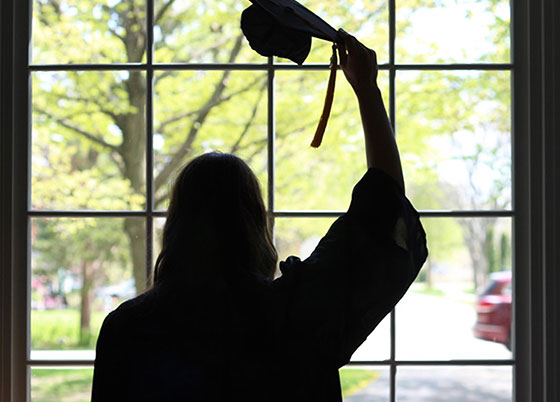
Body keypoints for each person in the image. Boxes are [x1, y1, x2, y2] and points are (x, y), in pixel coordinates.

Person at [91, 30, 427, 402]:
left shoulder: (127, 329)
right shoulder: (296, 315)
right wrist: (367, 90)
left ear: (176, 226)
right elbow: (384, 209)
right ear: (255, 224)